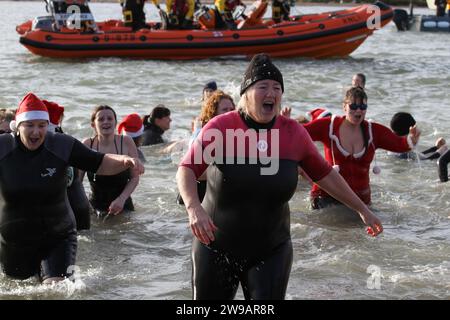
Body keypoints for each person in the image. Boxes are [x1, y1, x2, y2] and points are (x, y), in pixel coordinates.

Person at [177, 53, 383, 300]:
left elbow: (326, 175)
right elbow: (186, 168)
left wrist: (363, 210)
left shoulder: (293, 133)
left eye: (276, 88)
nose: (271, 93)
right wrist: (193, 208)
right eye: (262, 86)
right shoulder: (222, 127)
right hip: (216, 246)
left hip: (271, 249)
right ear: (246, 94)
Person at [0, 93, 144, 282]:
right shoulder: (3, 147)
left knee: (56, 289)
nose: (36, 132)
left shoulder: (61, 144)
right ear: (18, 126)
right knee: (20, 289)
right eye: (30, 125)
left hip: (57, 235)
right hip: (13, 238)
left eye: (41, 126)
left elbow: (98, 162)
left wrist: (125, 160)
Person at [303, 87, 421, 209]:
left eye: (363, 107)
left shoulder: (373, 131)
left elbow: (399, 145)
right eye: (353, 107)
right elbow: (299, 133)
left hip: (361, 201)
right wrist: (283, 121)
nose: (358, 110)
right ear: (344, 107)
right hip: (326, 199)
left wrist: (411, 140)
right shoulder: (328, 126)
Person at [80, 105, 140, 217]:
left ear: (115, 122)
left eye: (110, 118)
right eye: (101, 119)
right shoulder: (87, 144)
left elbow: (134, 177)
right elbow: (77, 182)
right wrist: (85, 204)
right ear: (93, 125)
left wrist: (121, 199)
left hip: (123, 205)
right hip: (94, 207)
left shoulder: (126, 141)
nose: (106, 122)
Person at [42, 99, 93, 231]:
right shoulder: (63, 138)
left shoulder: (58, 144)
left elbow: (67, 179)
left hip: (72, 208)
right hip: (75, 205)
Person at [178, 90, 235, 205]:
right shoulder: (203, 135)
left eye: (232, 109)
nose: (229, 113)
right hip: (197, 194)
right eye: (224, 110)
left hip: (217, 193)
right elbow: (193, 172)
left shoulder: (236, 133)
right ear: (213, 113)